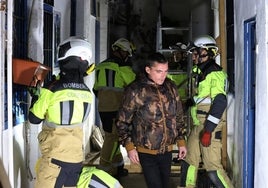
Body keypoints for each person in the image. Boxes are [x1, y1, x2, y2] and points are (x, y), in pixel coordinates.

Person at [28, 36, 94, 188]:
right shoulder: (86, 91)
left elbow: (34, 118)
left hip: (55, 160)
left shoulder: (53, 88)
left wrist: (36, 96)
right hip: (76, 160)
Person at [116, 52, 187, 188]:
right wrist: (129, 147)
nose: (163, 75)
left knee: (165, 185)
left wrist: (181, 141)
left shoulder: (171, 87)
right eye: (159, 71)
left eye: (166, 71)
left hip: (167, 150)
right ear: (148, 70)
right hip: (146, 150)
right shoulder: (136, 90)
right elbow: (122, 121)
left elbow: (178, 116)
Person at [180, 35, 233, 188]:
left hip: (209, 126)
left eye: (196, 52)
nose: (193, 56)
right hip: (198, 125)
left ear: (207, 53)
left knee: (213, 169)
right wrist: (185, 104)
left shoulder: (215, 73)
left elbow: (219, 101)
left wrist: (209, 130)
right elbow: (201, 98)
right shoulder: (201, 72)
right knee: (189, 162)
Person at [94, 38, 136, 178]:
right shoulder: (122, 67)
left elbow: (95, 89)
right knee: (112, 138)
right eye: (127, 53)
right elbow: (134, 85)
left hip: (103, 107)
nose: (127, 56)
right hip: (117, 107)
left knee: (113, 136)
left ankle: (118, 167)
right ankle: (103, 170)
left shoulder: (100, 65)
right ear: (122, 51)